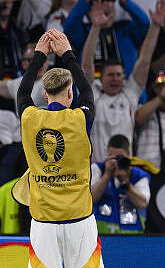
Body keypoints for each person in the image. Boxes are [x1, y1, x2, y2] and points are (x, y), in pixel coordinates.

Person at [19, 30, 103, 268]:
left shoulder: (29, 117)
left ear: (44, 94)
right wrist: (67, 54)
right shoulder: (80, 118)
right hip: (80, 218)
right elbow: (87, 92)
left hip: (44, 221)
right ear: (70, 93)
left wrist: (39, 56)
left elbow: (23, 93)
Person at [90, 134, 152, 234]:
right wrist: (107, 175)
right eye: (112, 157)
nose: (116, 162)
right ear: (107, 154)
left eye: (120, 157)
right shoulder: (97, 169)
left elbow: (142, 204)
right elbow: (90, 199)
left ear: (128, 154)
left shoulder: (139, 176)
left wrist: (125, 182)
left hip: (131, 237)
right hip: (101, 235)